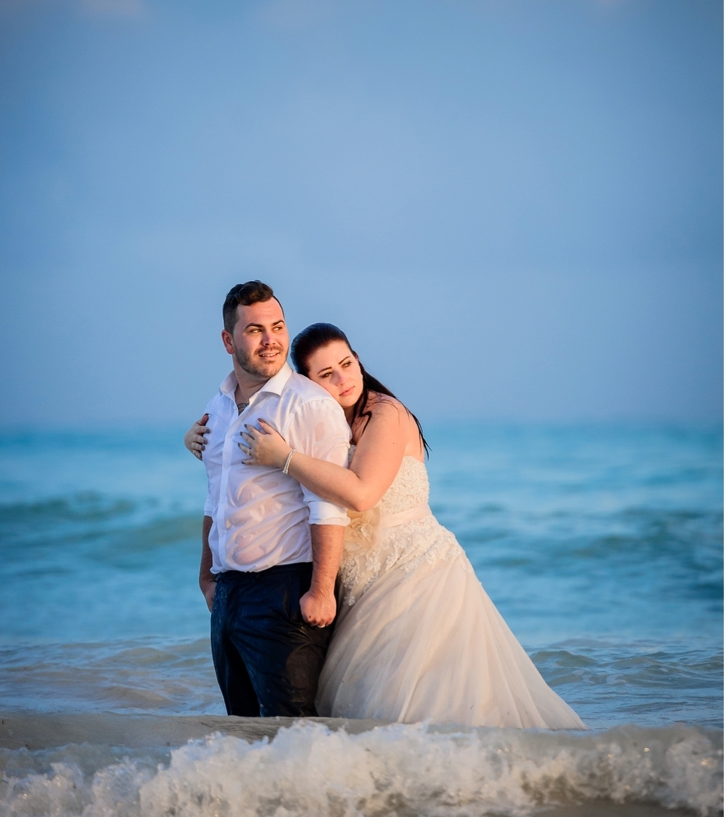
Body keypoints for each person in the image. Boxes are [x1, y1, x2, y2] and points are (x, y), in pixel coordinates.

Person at [187, 321, 586, 730]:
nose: (343, 379)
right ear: (307, 384)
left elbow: (360, 494)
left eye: (347, 363)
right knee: (357, 710)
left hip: (415, 574)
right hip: (361, 581)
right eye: (327, 374)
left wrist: (285, 457)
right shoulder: (322, 421)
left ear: (358, 360)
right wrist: (203, 439)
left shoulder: (385, 412)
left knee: (425, 706)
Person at [194, 283, 352, 719]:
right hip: (228, 595)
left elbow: (327, 504)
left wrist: (320, 590)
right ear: (229, 340)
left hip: (285, 590)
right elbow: (215, 497)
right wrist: (207, 579)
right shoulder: (219, 406)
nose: (271, 340)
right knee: (242, 733)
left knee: (293, 731)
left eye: (278, 327)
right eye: (255, 330)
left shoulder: (308, 405)